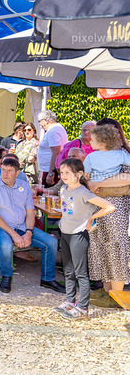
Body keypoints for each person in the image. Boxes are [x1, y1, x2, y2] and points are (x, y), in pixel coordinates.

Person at [0, 157, 65, 294]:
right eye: (3, 170)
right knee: (6, 244)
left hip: (20, 226)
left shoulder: (24, 186)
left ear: (17, 173)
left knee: (50, 242)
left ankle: (48, 279)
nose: (5, 174)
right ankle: (6, 276)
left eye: (9, 171)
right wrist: (14, 235)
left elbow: (30, 212)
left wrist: (29, 232)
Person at [53, 158, 115, 319]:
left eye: (68, 172)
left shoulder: (84, 192)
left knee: (80, 273)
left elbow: (109, 206)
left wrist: (91, 218)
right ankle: (70, 301)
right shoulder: (64, 189)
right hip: (65, 233)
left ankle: (83, 308)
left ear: (79, 174)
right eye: (62, 172)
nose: (63, 175)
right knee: (68, 270)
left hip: (78, 235)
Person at [86, 118, 130, 308]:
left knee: (114, 247)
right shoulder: (118, 155)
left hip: (112, 204)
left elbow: (127, 177)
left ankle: (116, 295)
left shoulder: (122, 155)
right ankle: (107, 292)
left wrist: (98, 183)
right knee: (102, 246)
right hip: (103, 204)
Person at [37, 110, 68, 187]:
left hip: (51, 170)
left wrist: (51, 173)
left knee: (48, 192)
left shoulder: (54, 131)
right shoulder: (55, 129)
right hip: (48, 169)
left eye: (40, 121)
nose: (39, 124)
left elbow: (56, 152)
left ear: (45, 121)